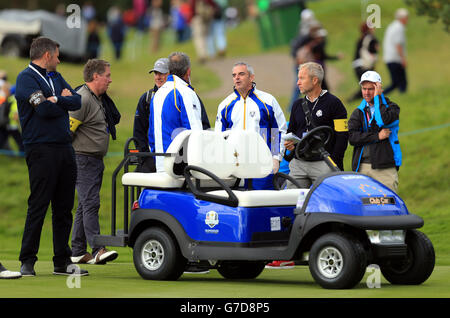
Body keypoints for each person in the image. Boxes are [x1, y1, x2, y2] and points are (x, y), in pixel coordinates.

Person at [15, 37, 88, 277]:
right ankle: (27, 260)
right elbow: (43, 110)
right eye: (56, 55)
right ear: (46, 55)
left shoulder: (55, 77)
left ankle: (62, 260)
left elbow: (77, 99)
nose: (59, 58)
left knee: (64, 207)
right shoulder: (26, 78)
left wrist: (56, 99)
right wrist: (60, 101)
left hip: (64, 148)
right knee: (38, 205)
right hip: (41, 149)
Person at [69, 59, 120, 265]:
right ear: (95, 76)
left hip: (93, 160)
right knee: (91, 203)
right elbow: (67, 132)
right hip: (83, 159)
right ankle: (97, 249)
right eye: (107, 75)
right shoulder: (82, 99)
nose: (110, 79)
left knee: (84, 205)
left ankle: (78, 251)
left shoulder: (96, 98)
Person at [215, 62, 287, 190]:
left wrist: (276, 158)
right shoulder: (225, 105)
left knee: (263, 203)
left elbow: (278, 130)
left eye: (241, 74)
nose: (237, 77)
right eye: (234, 75)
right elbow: (219, 137)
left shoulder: (268, 101)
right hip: (235, 166)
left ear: (251, 77)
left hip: (262, 164)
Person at [285, 62, 348, 189]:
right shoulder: (297, 105)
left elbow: (343, 137)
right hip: (299, 164)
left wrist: (333, 161)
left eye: (302, 78)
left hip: (323, 163)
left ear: (314, 80)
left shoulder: (335, 104)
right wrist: (289, 144)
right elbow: (291, 131)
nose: (298, 82)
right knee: (293, 202)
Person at [149, 52, 204, 172]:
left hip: (160, 164)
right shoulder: (185, 92)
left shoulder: (157, 94)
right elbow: (195, 133)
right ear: (188, 71)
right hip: (181, 167)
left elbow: (151, 134)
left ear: (169, 70)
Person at [348, 71, 401, 192]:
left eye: (371, 89)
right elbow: (352, 138)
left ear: (378, 88)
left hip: (385, 167)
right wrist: (377, 136)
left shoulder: (393, 108)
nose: (366, 93)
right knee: (364, 209)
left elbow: (382, 120)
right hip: (362, 167)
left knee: (388, 208)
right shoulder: (358, 112)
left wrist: (377, 98)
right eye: (364, 88)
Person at [133, 57, 170, 173]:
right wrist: (145, 157)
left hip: (173, 159)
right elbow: (138, 131)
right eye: (155, 73)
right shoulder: (146, 98)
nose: (158, 77)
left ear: (171, 74)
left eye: (162, 73)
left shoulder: (178, 96)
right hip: (151, 158)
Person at [349, 22, 379, 102]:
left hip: (357, 64)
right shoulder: (370, 38)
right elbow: (374, 51)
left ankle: (352, 100)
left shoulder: (361, 38)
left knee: (366, 85)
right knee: (369, 85)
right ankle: (354, 100)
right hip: (363, 65)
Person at [383, 8, 408, 95]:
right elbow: (398, 45)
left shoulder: (392, 26)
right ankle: (378, 97)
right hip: (395, 58)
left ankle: (378, 97)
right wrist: (403, 59)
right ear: (403, 18)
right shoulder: (399, 27)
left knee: (395, 83)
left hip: (389, 58)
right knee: (401, 83)